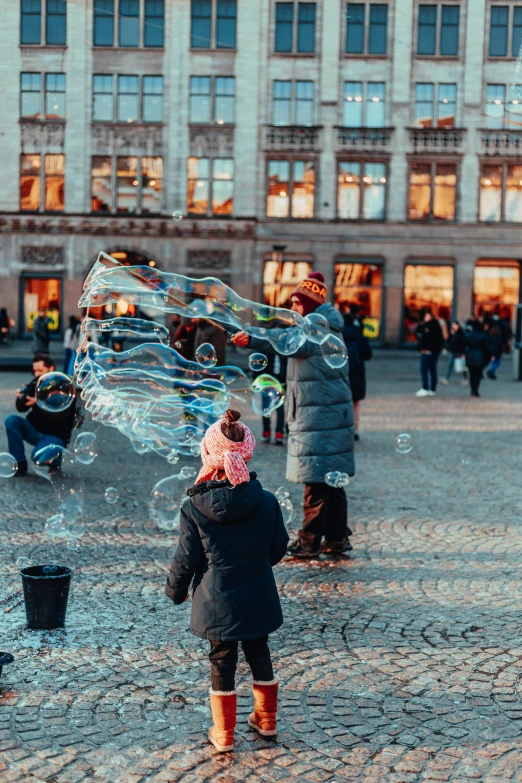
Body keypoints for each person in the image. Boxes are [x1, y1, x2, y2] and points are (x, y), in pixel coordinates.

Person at [165, 409, 288, 753]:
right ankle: (266, 721)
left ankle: (225, 733)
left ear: (208, 453)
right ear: (246, 453)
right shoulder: (265, 500)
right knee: (259, 650)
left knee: (221, 659)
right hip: (258, 592)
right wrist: (256, 566)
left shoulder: (194, 506)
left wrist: (175, 591)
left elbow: (186, 558)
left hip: (216, 600)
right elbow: (278, 547)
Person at [232, 271, 354, 559]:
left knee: (316, 480)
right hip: (327, 414)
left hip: (318, 417)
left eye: (297, 304)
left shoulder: (316, 327)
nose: (293, 310)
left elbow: (286, 340)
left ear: (309, 305)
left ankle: (308, 541)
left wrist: (253, 338)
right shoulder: (325, 327)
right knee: (331, 480)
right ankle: (337, 539)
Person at [4, 353, 77, 476]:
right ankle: (20, 464)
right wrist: (21, 398)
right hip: (35, 430)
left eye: (40, 370)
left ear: (51, 368)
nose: (37, 374)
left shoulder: (64, 388)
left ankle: (54, 459)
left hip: (56, 435)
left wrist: (36, 403)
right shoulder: (38, 383)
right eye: (35, 371)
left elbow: (60, 416)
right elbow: (20, 408)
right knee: (11, 420)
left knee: (37, 457)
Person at [341, 312, 372, 441]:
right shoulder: (359, 336)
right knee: (355, 403)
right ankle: (354, 430)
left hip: (341, 374)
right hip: (357, 374)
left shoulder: (338, 335)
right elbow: (368, 355)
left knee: (340, 402)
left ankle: (341, 429)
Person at [259, 353, 287, 445]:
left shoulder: (282, 348)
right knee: (266, 408)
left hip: (279, 382)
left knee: (278, 408)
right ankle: (267, 432)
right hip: (267, 382)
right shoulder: (264, 346)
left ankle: (278, 433)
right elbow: (258, 365)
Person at [415, 309, 444, 397]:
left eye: (427, 316)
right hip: (433, 352)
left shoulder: (428, 327)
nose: (425, 318)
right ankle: (432, 389)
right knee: (432, 371)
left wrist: (421, 348)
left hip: (428, 352)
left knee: (425, 371)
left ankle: (425, 388)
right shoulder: (435, 327)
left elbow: (425, 339)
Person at [465, 319, 489, 397]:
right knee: (477, 374)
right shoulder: (483, 335)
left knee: (472, 374)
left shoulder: (468, 335)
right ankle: (476, 390)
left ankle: (472, 389)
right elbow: (486, 347)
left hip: (470, 355)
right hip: (479, 355)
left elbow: (464, 344)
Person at [440, 320, 466, 385]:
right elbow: (449, 341)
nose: (453, 326)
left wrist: (463, 352)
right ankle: (446, 378)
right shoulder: (453, 333)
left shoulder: (461, 333)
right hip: (452, 351)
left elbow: (462, 343)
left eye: (454, 325)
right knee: (450, 365)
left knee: (461, 365)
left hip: (458, 352)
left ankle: (465, 378)